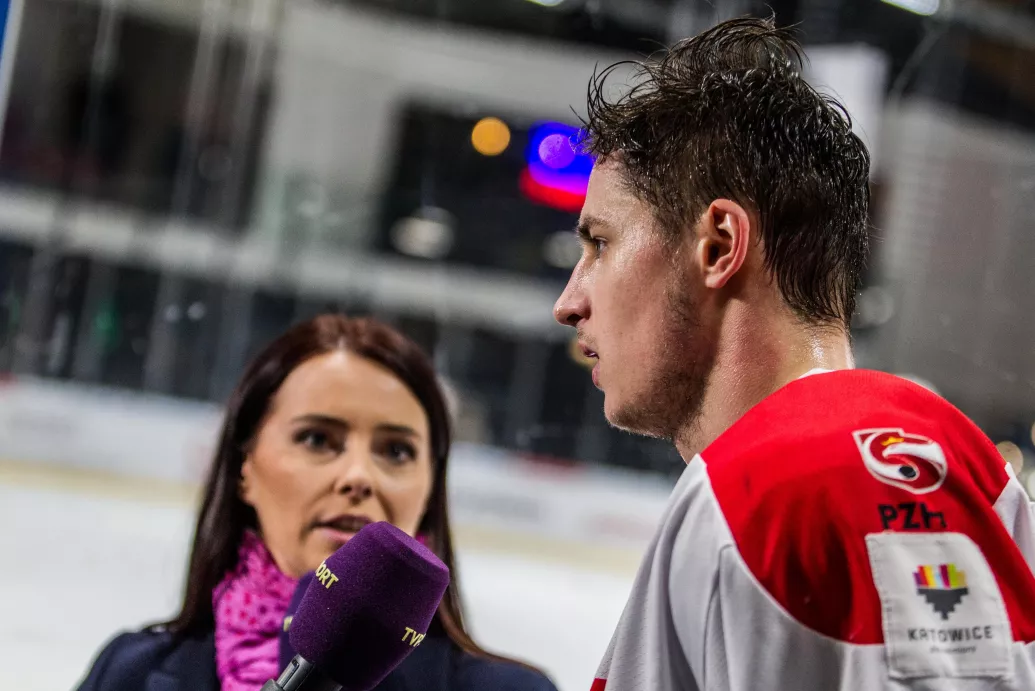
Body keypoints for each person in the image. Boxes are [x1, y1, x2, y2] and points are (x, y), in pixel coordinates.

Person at [553, 15, 1035, 691]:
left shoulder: (755, 490)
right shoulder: (970, 467)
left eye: (600, 243)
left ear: (719, 246)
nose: (569, 300)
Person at [75, 314, 557, 691]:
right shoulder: (129, 674)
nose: (358, 476)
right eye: (317, 439)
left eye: (396, 451)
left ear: (430, 489)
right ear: (245, 468)